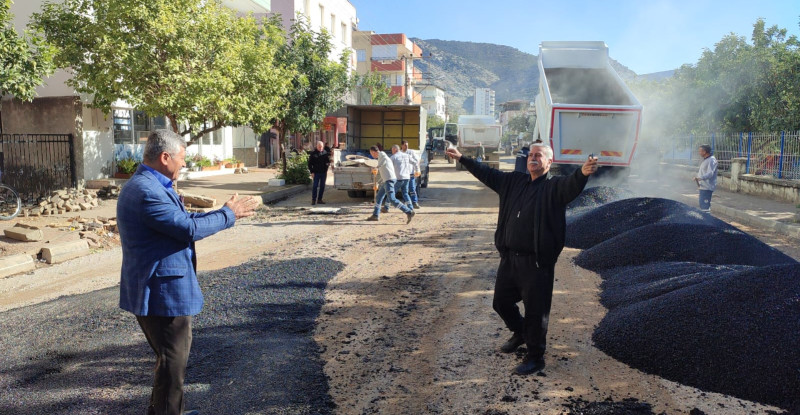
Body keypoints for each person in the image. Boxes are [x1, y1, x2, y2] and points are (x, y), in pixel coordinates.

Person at [117, 129, 258, 415]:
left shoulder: (150, 184)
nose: (184, 164)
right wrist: (229, 214)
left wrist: (218, 213)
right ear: (165, 157)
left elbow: (182, 220)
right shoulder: (146, 191)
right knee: (172, 364)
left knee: (169, 362)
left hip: (156, 289)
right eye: (181, 159)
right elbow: (188, 229)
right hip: (161, 294)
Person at [445, 143, 598, 376]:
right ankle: (520, 333)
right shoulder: (513, 182)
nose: (533, 158)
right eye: (531, 155)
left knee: (536, 312)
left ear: (549, 162)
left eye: (539, 156)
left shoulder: (554, 187)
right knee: (501, 303)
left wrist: (582, 174)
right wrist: (462, 159)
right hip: (510, 259)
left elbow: (571, 185)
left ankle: (535, 358)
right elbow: (486, 173)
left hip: (536, 264)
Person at [366, 145, 415, 223]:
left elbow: (383, 160)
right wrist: (378, 182)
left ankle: (408, 211)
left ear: (373, 152)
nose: (371, 155)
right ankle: (375, 215)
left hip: (389, 181)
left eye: (371, 153)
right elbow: (385, 171)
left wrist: (377, 167)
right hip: (386, 180)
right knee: (379, 197)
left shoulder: (382, 154)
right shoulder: (380, 158)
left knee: (392, 199)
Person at [694, 144, 718, 213]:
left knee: (705, 207)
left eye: (700, 151)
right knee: (703, 205)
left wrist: (700, 178)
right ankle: (706, 221)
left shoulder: (711, 160)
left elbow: (710, 173)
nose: (699, 153)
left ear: (704, 152)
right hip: (703, 186)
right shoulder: (706, 160)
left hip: (707, 187)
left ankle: (707, 221)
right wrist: (698, 178)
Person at [390, 144, 414, 210]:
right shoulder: (407, 156)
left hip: (399, 178)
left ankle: (386, 207)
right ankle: (410, 207)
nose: (392, 151)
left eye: (392, 150)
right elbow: (415, 162)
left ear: (395, 149)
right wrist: (416, 170)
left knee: (391, 193)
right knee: (405, 193)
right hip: (407, 177)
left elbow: (388, 166)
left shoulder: (393, 157)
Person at [308, 141, 331, 205]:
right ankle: (313, 199)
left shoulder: (325, 153)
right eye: (319, 147)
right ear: (317, 146)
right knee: (315, 186)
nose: (320, 148)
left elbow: (327, 162)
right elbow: (309, 164)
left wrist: (328, 166)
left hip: (323, 173)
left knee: (322, 186)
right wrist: (312, 172)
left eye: (321, 147)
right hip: (316, 173)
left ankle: (319, 199)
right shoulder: (313, 154)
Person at [401, 140, 422, 209]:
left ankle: (414, 202)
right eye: (405, 145)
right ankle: (406, 203)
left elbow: (416, 160)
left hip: (411, 174)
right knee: (405, 190)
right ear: (402, 145)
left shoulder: (411, 152)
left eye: (407, 145)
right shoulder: (400, 153)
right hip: (403, 175)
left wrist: (417, 170)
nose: (406, 146)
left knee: (412, 189)